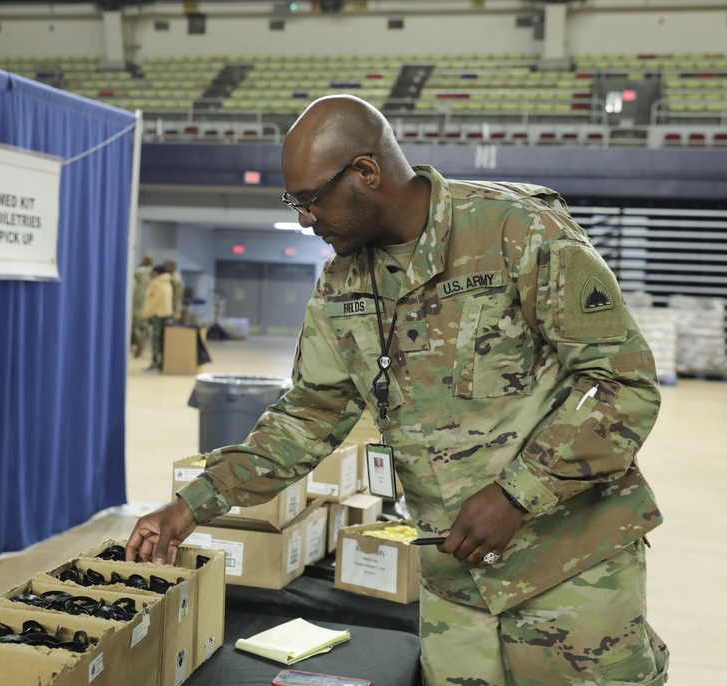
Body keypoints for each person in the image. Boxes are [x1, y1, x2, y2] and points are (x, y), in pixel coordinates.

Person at [126, 95, 668, 685]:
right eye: (295, 202)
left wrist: (516, 495)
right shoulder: (342, 283)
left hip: (570, 565)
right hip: (453, 583)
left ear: (366, 172)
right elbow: (308, 415)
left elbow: (622, 384)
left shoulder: (518, 231)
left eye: (311, 199)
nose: (305, 218)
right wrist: (191, 505)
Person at [140, 264, 173, 372]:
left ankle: (155, 363)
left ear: (156, 273)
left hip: (156, 315)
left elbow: (152, 301)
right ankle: (162, 363)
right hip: (166, 314)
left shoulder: (156, 283)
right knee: (163, 340)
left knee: (155, 340)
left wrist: (145, 313)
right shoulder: (168, 283)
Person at [130, 254, 154, 358]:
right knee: (143, 328)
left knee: (135, 327)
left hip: (137, 303)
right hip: (148, 303)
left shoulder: (139, 272)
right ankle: (140, 348)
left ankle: (135, 346)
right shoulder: (153, 273)